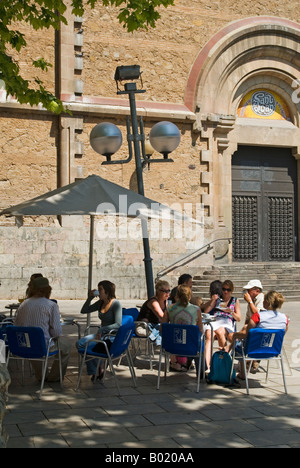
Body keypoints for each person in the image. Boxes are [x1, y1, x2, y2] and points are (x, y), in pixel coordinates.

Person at [14, 277, 71, 382]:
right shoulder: (51, 305)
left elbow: (16, 325)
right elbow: (56, 332)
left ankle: (41, 376)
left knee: (33, 341)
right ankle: (54, 377)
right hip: (42, 346)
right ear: (48, 290)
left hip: (23, 345)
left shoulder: (23, 304)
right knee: (65, 346)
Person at [226, 290, 289, 379]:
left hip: (253, 350)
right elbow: (281, 335)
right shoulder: (285, 318)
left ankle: (242, 373)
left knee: (238, 344)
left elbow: (246, 334)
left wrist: (235, 335)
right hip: (273, 351)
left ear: (267, 302)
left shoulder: (258, 316)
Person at [77, 280, 122, 381]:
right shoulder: (100, 303)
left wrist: (102, 329)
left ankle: (96, 370)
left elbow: (118, 324)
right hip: (101, 334)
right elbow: (84, 310)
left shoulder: (115, 304)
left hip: (111, 335)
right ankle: (99, 365)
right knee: (80, 343)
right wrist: (90, 298)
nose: (98, 291)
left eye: (100, 289)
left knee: (89, 346)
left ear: (107, 291)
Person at [163, 285, 203, 372]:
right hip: (190, 346)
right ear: (189, 297)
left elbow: (162, 328)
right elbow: (200, 329)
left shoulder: (169, 308)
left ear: (177, 296)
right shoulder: (196, 309)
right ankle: (201, 371)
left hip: (172, 346)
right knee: (201, 342)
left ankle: (179, 363)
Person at [204, 279, 241, 371]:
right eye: (224, 289)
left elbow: (239, 318)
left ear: (231, 291)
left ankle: (223, 362)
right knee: (209, 334)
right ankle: (206, 365)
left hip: (227, 321)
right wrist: (213, 301)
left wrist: (231, 312)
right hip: (216, 320)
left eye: (228, 290)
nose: (225, 292)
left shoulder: (235, 300)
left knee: (220, 332)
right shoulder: (218, 299)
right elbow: (206, 311)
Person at [135, 280, 170, 345]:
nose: (168, 293)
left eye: (168, 291)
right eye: (165, 291)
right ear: (158, 291)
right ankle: (167, 352)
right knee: (167, 332)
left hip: (155, 326)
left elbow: (167, 316)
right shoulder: (153, 302)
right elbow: (162, 317)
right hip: (143, 327)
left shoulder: (166, 301)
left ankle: (168, 352)